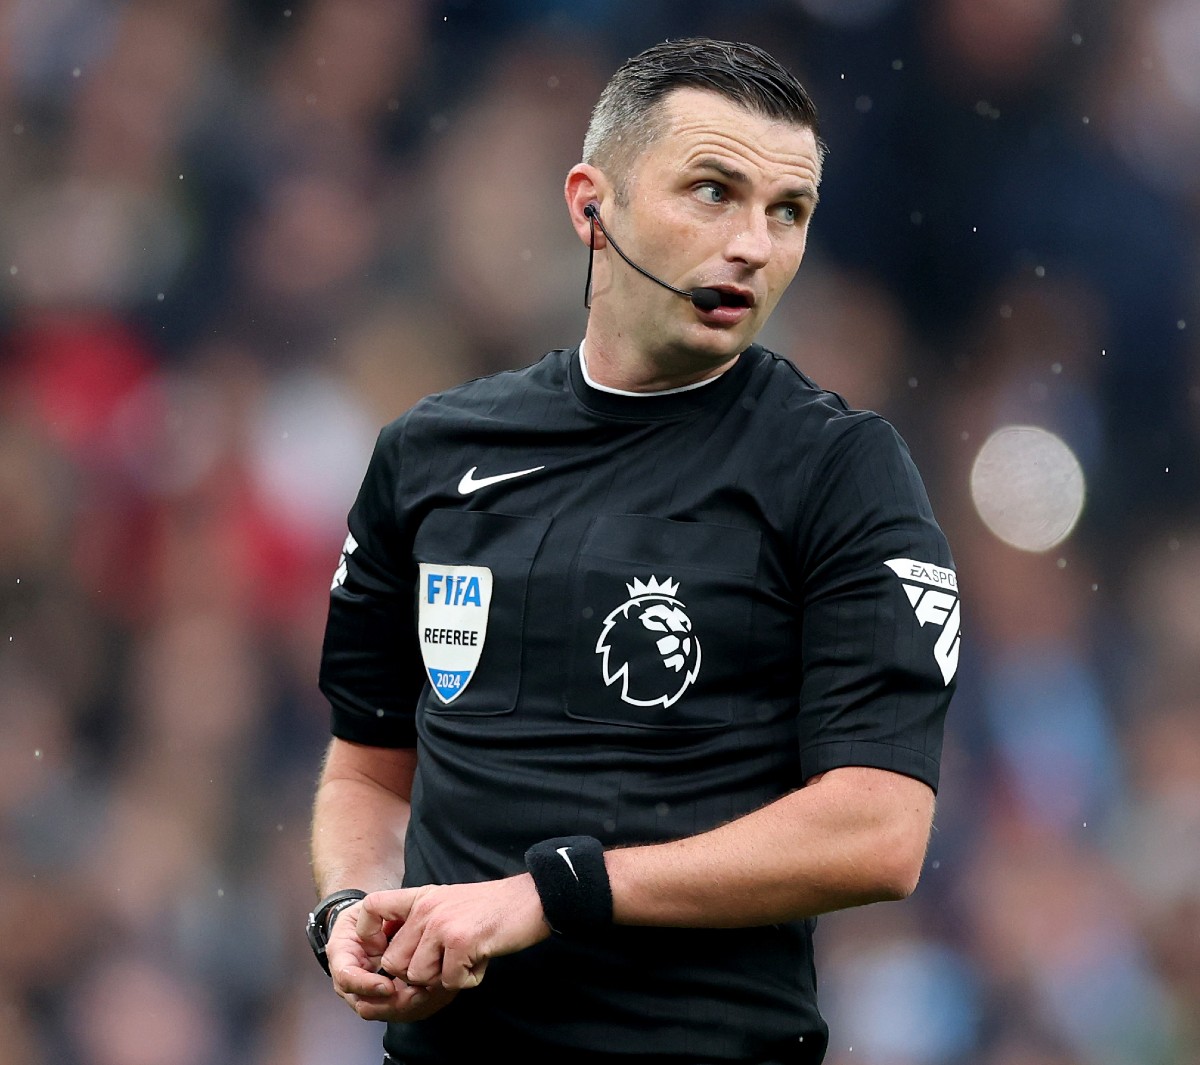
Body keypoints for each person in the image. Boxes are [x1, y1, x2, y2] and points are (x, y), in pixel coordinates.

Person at [308, 37, 958, 1065]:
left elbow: (877, 832)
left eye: (787, 212)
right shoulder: (432, 454)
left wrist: (551, 897)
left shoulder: (840, 471)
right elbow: (372, 772)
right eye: (714, 192)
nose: (754, 243)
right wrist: (352, 909)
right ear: (588, 205)